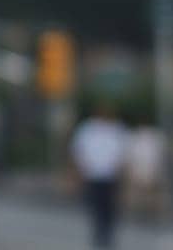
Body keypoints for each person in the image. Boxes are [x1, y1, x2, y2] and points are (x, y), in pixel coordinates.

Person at [70, 103, 128, 248]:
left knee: (110, 207)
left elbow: (124, 152)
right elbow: (78, 150)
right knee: (96, 206)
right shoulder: (88, 129)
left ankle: (108, 233)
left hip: (111, 175)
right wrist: (80, 170)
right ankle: (99, 232)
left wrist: (121, 170)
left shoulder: (116, 129)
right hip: (93, 174)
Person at [122, 116, 166, 220]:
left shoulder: (156, 136)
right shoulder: (133, 137)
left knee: (151, 197)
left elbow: (160, 156)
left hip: (151, 170)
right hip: (138, 170)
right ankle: (140, 216)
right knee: (138, 197)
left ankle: (150, 216)